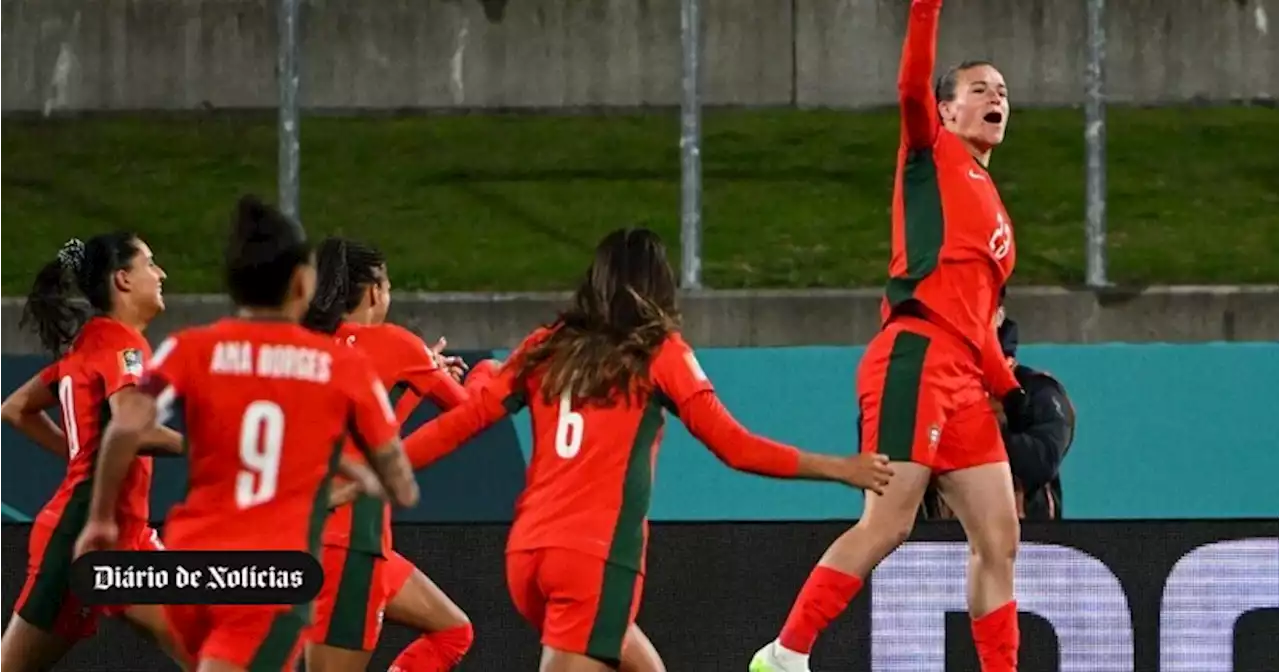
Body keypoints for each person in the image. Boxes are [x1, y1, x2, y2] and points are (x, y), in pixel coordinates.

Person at [400, 227, 895, 672]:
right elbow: (734, 447)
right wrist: (840, 467)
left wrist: (381, 467)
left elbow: (462, 421)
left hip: (527, 556)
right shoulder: (659, 352)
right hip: (592, 560)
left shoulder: (547, 345)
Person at [750, 1, 1025, 670]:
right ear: (948, 111)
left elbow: (976, 320)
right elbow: (909, 87)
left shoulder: (992, 202)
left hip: (961, 370)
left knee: (1000, 537)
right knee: (889, 523)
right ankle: (784, 656)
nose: (996, 97)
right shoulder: (929, 155)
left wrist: (1009, 390)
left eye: (1004, 91)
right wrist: (925, 8)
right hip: (915, 356)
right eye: (979, 89)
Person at [72, 195, 421, 672]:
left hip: (192, 565)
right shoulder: (337, 366)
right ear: (301, 283)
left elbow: (125, 426)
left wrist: (98, 520)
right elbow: (395, 475)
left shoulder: (188, 348)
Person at [0, 233, 191, 672]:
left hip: (126, 538)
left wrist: (81, 456)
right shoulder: (122, 344)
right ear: (123, 279)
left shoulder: (92, 342)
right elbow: (132, 427)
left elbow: (15, 409)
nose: (160, 274)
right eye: (151, 263)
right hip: (81, 540)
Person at [301, 237, 475, 672]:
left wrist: (418, 371)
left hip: (320, 536)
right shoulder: (397, 345)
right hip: (349, 545)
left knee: (453, 630)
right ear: (375, 291)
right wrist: (484, 374)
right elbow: (471, 410)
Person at [922, 312, 1075, 521]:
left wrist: (988, 426)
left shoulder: (1037, 390)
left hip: (1028, 541)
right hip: (936, 543)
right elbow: (886, 475)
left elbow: (1041, 462)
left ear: (998, 314)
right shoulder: (919, 390)